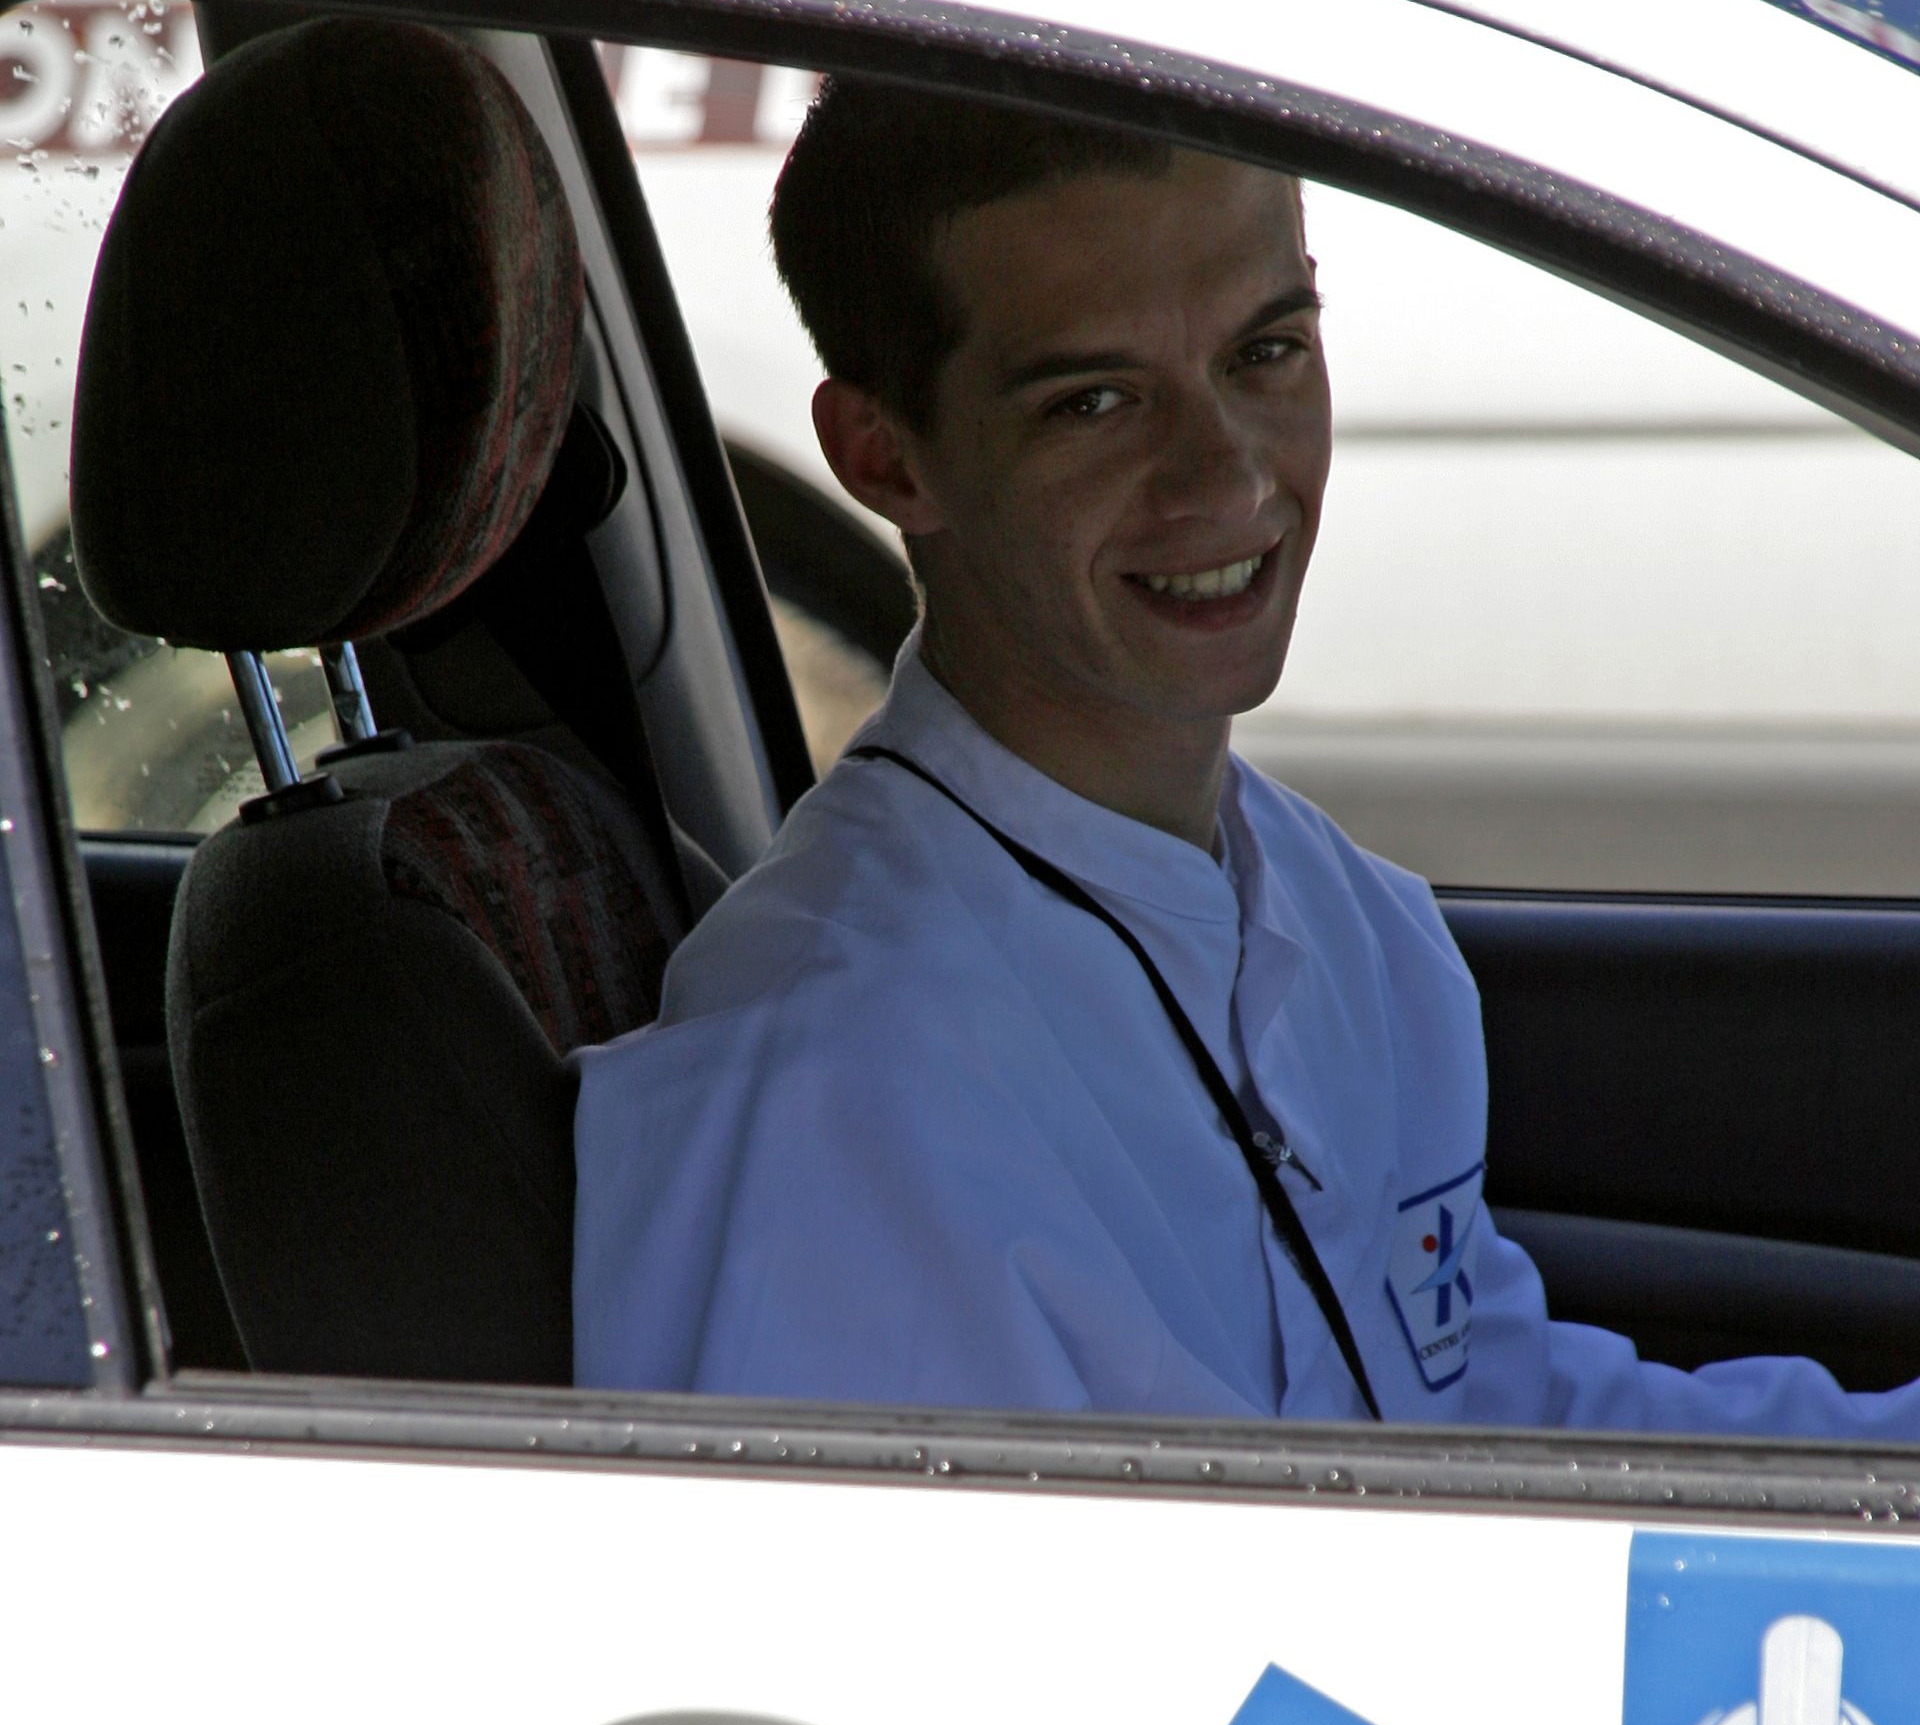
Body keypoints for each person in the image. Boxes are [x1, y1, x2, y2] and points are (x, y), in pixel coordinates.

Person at [572, 80, 1920, 1436]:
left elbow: (1483, 1419)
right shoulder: (837, 1097)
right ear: (885, 457)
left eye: (1266, 352)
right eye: (1096, 402)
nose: (1227, 478)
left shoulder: (1350, 923)